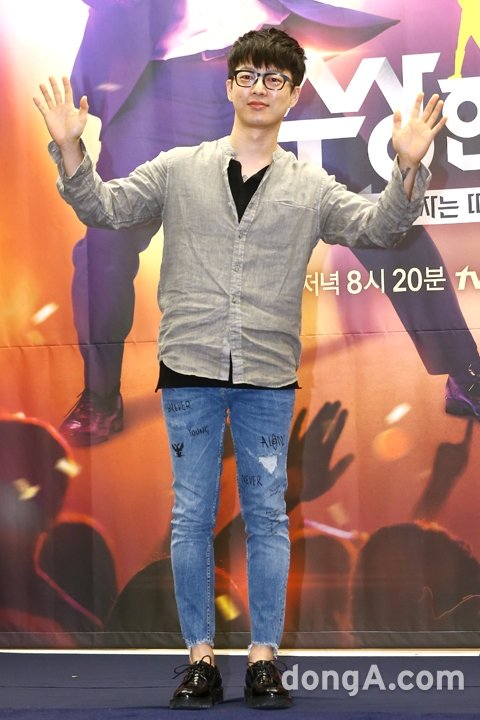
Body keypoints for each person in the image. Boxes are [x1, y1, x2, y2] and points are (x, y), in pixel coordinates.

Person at [34, 27, 445, 709]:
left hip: (267, 374)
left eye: (274, 79)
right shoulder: (176, 168)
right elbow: (103, 209)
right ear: (229, 87)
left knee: (267, 517)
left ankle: (262, 659)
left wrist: (406, 167)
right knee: (191, 516)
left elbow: (381, 229)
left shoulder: (310, 185)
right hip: (189, 367)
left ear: (293, 94)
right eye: (248, 76)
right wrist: (73, 150)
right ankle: (200, 658)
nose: (259, 88)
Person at [63, 0, 480, 445]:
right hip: (162, 81)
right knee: (106, 242)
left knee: (373, 204)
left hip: (262, 66)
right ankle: (100, 394)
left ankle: (466, 370)